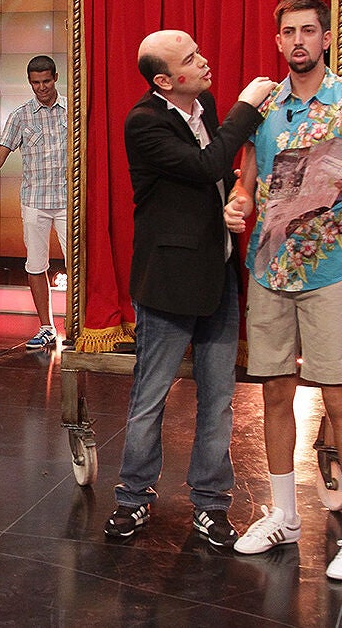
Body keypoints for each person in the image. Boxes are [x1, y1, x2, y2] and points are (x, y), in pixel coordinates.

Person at [223, 0, 342, 581]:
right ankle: (283, 515)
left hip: (328, 272)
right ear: (277, 40)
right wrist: (239, 202)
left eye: (308, 30)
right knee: (274, 394)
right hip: (268, 270)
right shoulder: (264, 106)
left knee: (340, 399)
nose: (298, 40)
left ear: (326, 38)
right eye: (288, 32)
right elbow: (248, 181)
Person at [102, 31, 275, 546]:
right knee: (150, 396)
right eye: (191, 59)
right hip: (168, 281)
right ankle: (132, 497)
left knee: (219, 399)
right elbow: (202, 164)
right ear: (164, 80)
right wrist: (247, 108)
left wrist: (234, 200)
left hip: (216, 272)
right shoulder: (144, 121)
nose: (204, 62)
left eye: (199, 52)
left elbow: (214, 176)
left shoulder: (205, 107)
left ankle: (211, 503)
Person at [0, 55, 68, 349]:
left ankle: (79, 324)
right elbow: (0, 154)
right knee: (35, 265)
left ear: (55, 78)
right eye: (36, 83)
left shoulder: (72, 110)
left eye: (46, 81)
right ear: (29, 82)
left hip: (67, 201)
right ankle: (46, 327)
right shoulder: (21, 115)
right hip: (34, 201)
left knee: (78, 265)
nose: (42, 87)